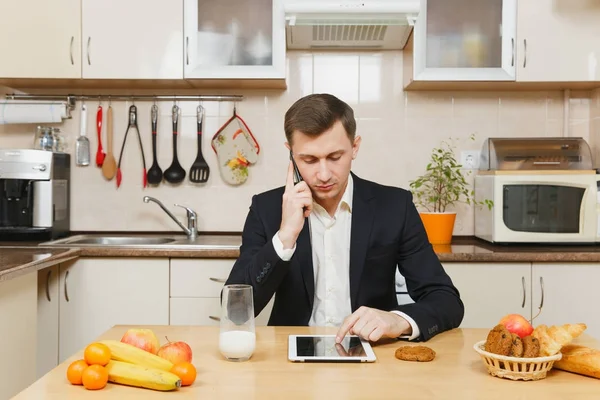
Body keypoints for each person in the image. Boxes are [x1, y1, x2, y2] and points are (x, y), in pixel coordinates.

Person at [224, 93, 464, 343]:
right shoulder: (267, 208)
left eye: (335, 157)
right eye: (309, 160)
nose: (324, 174)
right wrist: (285, 237)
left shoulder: (394, 206)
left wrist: (398, 320)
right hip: (290, 357)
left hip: (375, 354)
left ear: (355, 147)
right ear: (291, 154)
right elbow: (236, 311)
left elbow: (446, 300)